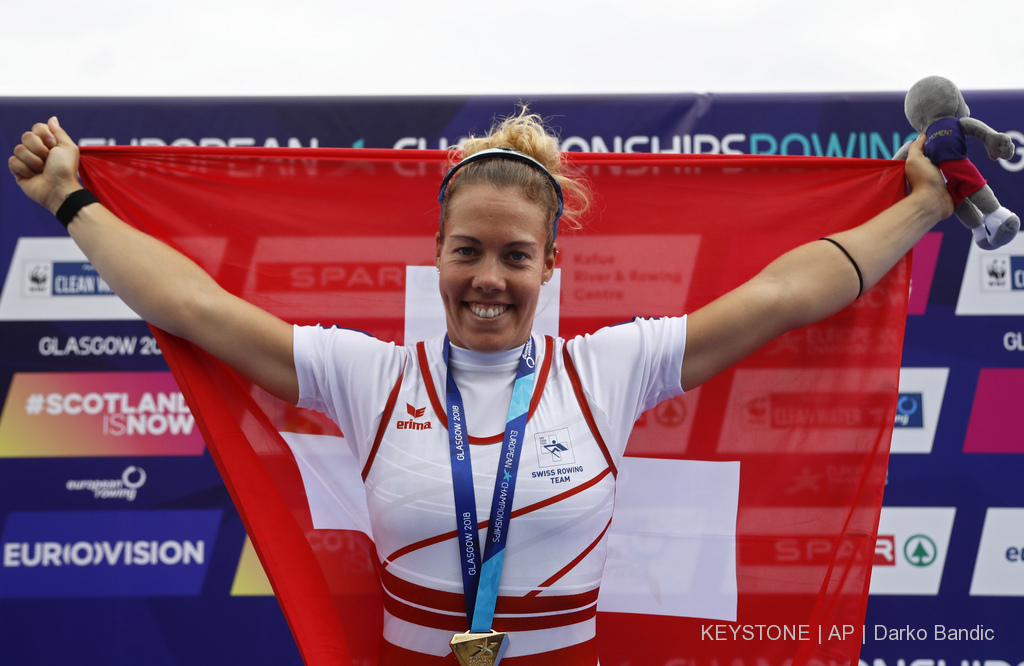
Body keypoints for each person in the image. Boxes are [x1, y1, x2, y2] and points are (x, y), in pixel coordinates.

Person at [9, 110, 952, 665]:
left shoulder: (606, 368)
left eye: (514, 255)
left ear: (551, 263)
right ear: (438, 256)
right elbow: (194, 307)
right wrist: (72, 201)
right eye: (469, 252)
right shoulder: (370, 373)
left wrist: (920, 205)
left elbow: (786, 294)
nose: (489, 278)